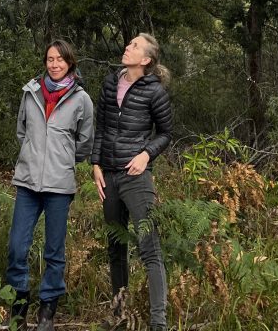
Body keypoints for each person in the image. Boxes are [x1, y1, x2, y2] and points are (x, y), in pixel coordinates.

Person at [6, 39, 94, 331]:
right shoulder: (30, 92)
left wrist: (62, 159)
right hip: (28, 182)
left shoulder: (81, 99)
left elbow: (84, 144)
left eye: (60, 59)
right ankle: (18, 305)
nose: (54, 64)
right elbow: (22, 132)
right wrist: (35, 154)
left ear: (70, 62)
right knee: (17, 247)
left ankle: (47, 311)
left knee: (54, 251)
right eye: (50, 59)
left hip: (59, 185)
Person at [91, 33, 173, 331]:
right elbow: (100, 127)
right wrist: (95, 163)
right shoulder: (110, 83)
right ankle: (120, 315)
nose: (128, 46)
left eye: (135, 46)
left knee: (149, 248)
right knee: (115, 247)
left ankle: (157, 323)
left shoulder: (155, 92)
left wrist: (145, 155)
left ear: (146, 59)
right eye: (130, 44)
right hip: (108, 176)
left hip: (136, 177)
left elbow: (165, 132)